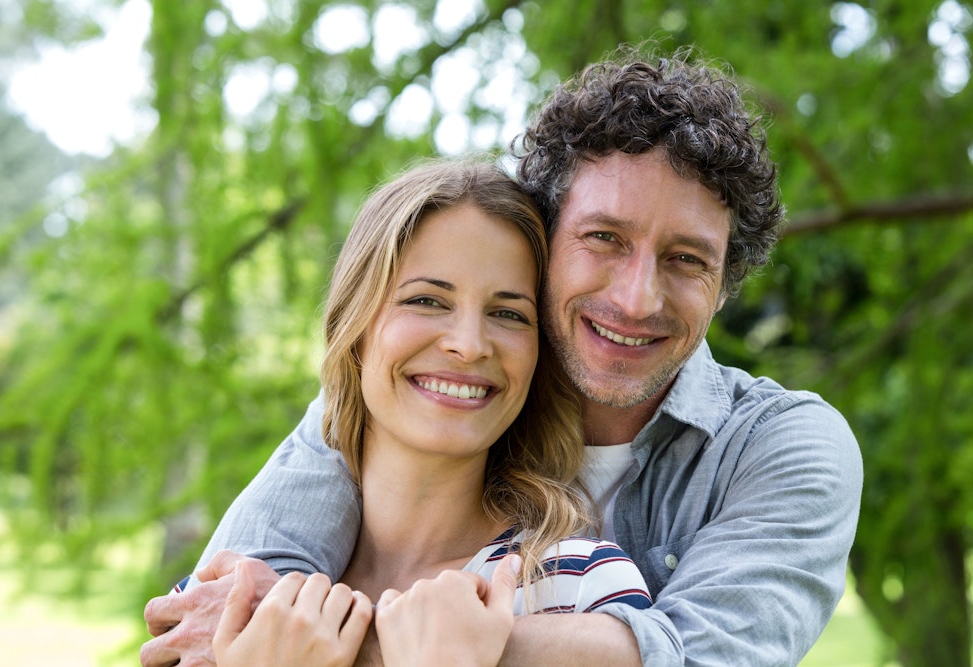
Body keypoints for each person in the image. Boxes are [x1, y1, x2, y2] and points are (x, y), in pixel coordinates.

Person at [142, 46, 863, 667]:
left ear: (725, 287)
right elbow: (225, 612)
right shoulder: (413, 401)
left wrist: (376, 642)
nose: (638, 298)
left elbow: (702, 654)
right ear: (543, 248)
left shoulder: (783, 446)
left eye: (685, 259)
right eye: (604, 238)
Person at [189, 159, 652, 667]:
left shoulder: (573, 589)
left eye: (507, 314)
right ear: (355, 326)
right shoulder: (234, 597)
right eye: (428, 300)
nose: (470, 345)